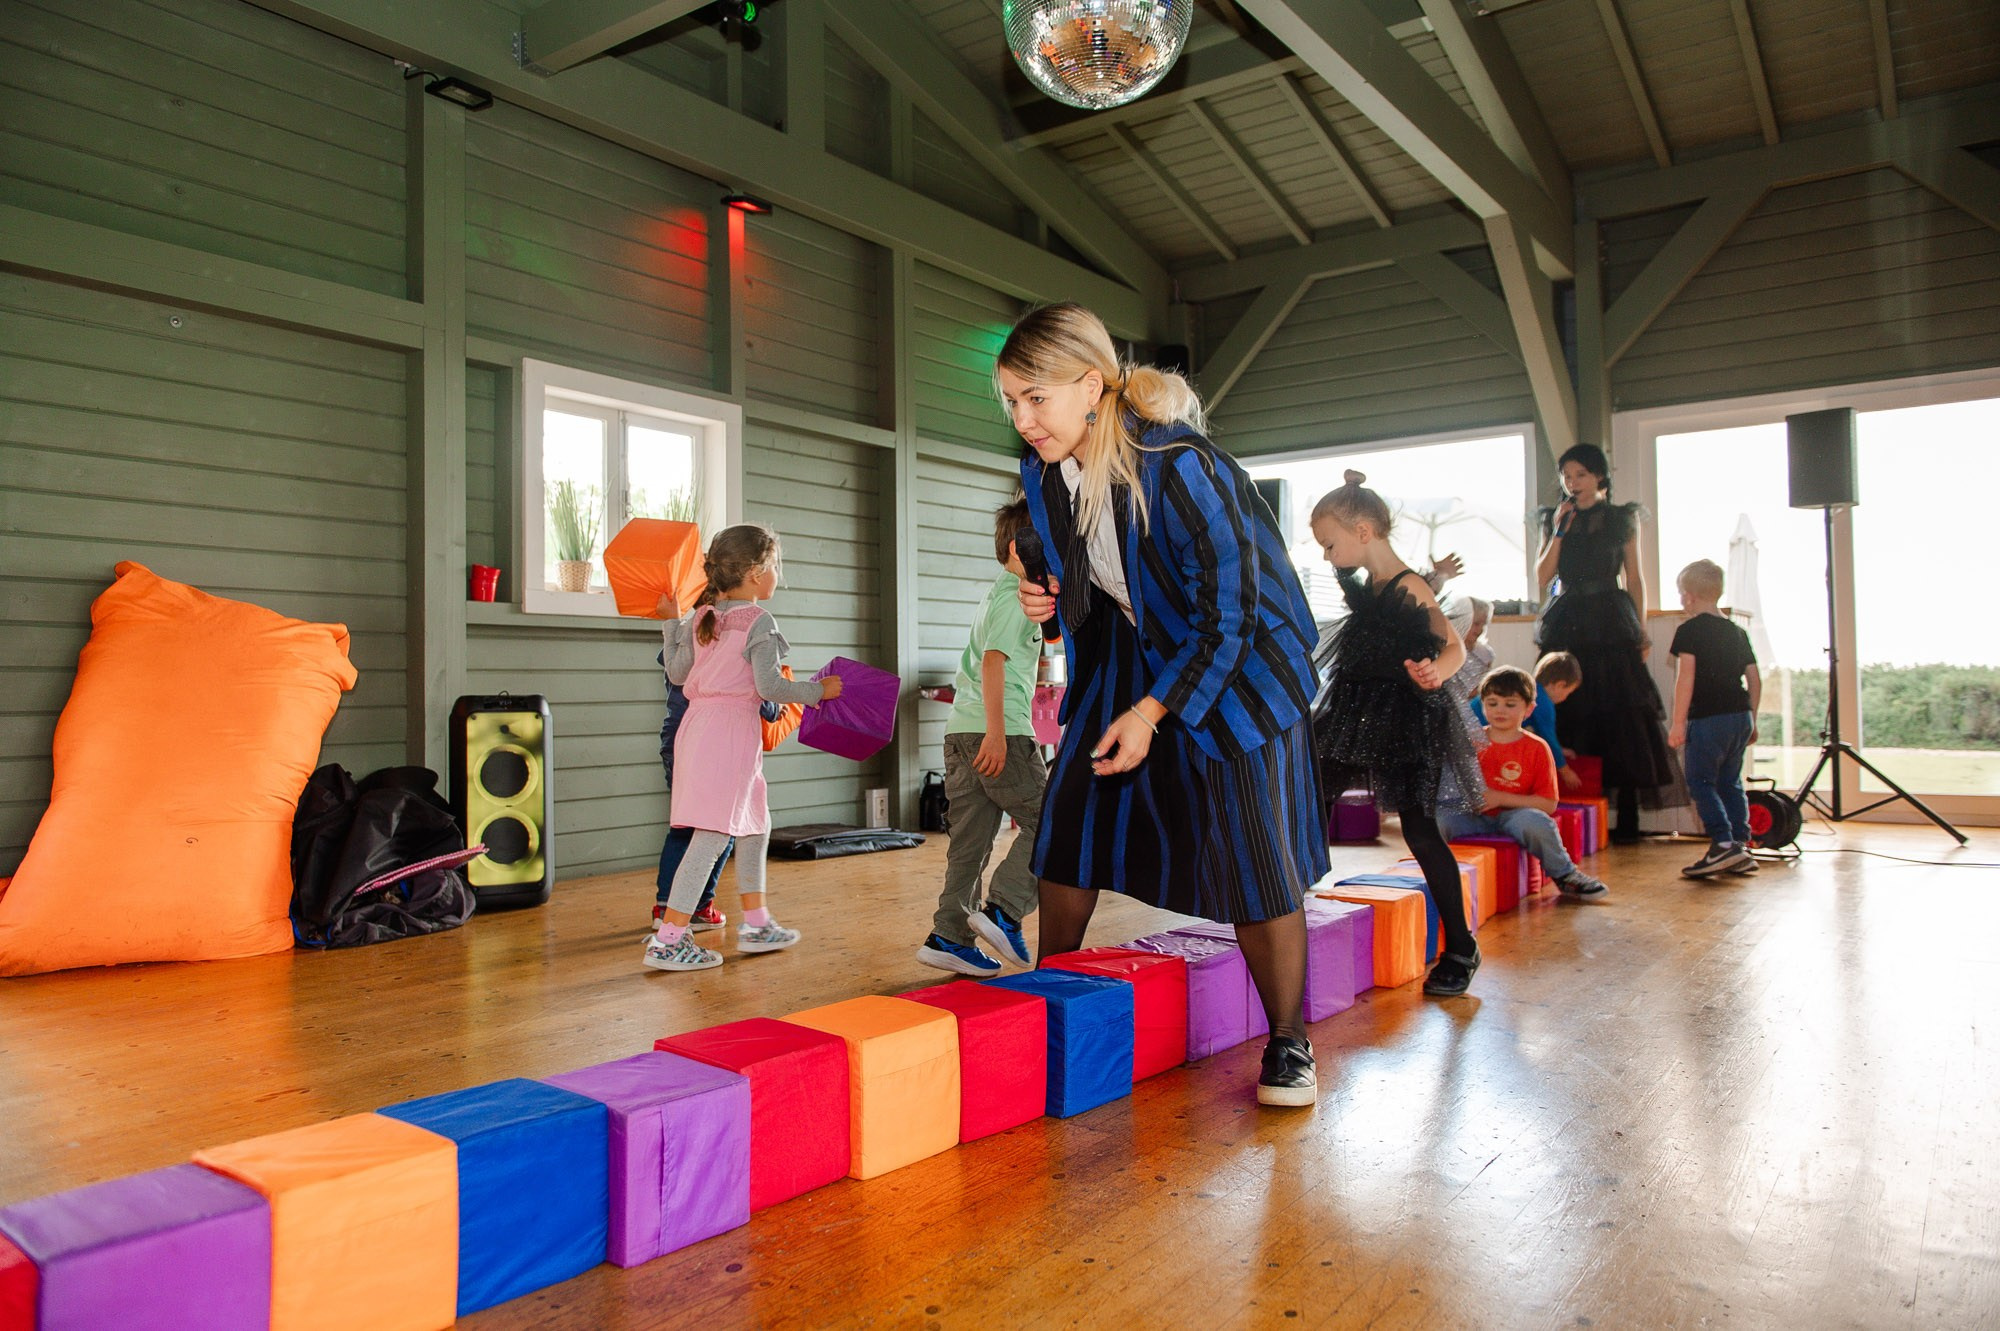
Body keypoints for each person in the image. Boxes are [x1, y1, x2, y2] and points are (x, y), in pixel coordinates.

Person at [1000, 303, 1327, 1108]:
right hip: (1131, 651)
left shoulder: (1181, 463)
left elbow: (1233, 613)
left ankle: (1290, 1041)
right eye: (1010, 401)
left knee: (1255, 853)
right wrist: (1048, 595)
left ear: (1090, 385)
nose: (1022, 418)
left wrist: (1152, 712)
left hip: (1241, 662)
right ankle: (1052, 995)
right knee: (1070, 818)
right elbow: (1087, 570)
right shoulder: (1042, 471)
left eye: (1035, 398)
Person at [1310, 471, 1488, 997]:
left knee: (1420, 829)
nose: (1326, 556)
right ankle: (1290, 904)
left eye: (1329, 544)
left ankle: (1461, 946)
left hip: (1407, 719)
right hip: (1357, 710)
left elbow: (1453, 645)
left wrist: (1440, 671)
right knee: (1315, 791)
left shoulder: (1410, 585)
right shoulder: (1372, 586)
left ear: (1363, 531)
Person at [645, 524, 841, 972]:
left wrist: (670, 622)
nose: (778, 575)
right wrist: (818, 691)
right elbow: (769, 685)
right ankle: (669, 940)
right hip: (729, 734)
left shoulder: (703, 618)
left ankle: (756, 923)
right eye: (774, 567)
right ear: (754, 573)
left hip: (701, 731)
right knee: (713, 836)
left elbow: (676, 674)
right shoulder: (757, 620)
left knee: (755, 826)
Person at [918, 496, 1048, 976]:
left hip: (960, 735)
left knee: (969, 844)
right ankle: (1004, 909)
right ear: (1021, 548)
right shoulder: (1018, 595)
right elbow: (994, 662)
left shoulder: (995, 593)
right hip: (1000, 733)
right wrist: (997, 733)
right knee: (1051, 819)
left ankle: (948, 936)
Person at [1533, 443, 1675, 841]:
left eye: (1579, 474)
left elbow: (1635, 577)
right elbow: (1543, 576)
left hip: (1612, 619)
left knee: (1620, 710)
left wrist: (1641, 628)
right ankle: (1568, 815)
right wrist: (1559, 528)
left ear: (1598, 476)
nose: (1571, 482)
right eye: (1566, 476)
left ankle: (1626, 818)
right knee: (1564, 706)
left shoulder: (1622, 518)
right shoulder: (1554, 518)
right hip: (1568, 618)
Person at [1443, 667, 1609, 898]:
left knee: (1537, 821)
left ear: (1529, 709)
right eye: (1492, 703)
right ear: (1482, 706)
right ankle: (1436, 874)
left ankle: (1566, 874)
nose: (1500, 710)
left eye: (1510, 704)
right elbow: (1451, 786)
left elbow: (1549, 805)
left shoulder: (1538, 748)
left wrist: (1500, 798)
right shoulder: (1470, 741)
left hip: (1516, 817)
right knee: (1438, 816)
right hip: (1473, 817)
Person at [649, 665, 784, 936]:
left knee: (684, 827)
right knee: (723, 829)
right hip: (716, 741)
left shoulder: (687, 643)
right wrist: (780, 705)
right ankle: (693, 914)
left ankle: (665, 907)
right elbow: (762, 697)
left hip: (679, 738)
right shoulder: (729, 640)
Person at [1668, 558, 1763, 879]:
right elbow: (1755, 679)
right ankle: (1740, 844)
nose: (1682, 600)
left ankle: (1722, 845)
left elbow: (1686, 679)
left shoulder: (1689, 630)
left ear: (1690, 596)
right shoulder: (1737, 632)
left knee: (1700, 781)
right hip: (1740, 716)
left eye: (1681, 594)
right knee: (1730, 782)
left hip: (1708, 719)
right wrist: (1753, 718)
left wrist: (1678, 723)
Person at [1471, 649, 1584, 793]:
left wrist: (1560, 751)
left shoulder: (1528, 688)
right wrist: (1565, 771)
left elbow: (1544, 737)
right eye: (1568, 693)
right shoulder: (1543, 702)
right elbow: (1548, 738)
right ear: (1560, 685)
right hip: (1478, 732)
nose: (1566, 698)